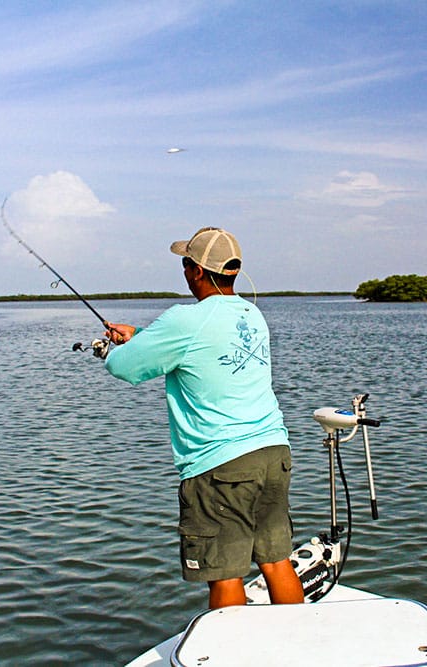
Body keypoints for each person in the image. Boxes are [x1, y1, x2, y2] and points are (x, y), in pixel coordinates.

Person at [103, 227, 305, 609]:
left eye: (185, 263)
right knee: (277, 562)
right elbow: (205, 350)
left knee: (224, 572)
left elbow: (125, 368)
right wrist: (143, 336)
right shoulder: (251, 313)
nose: (183, 271)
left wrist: (115, 350)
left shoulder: (185, 318)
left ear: (196, 271)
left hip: (221, 466)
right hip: (273, 454)